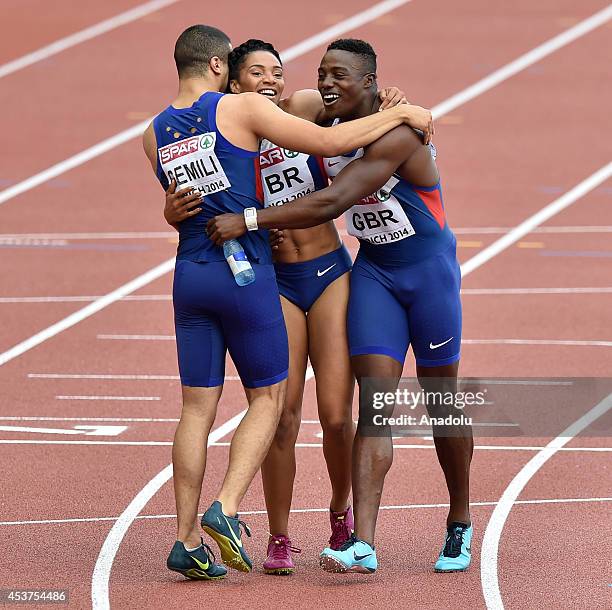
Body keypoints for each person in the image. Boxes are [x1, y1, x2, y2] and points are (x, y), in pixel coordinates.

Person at [143, 25, 435, 579]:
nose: (272, 82)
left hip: (251, 272)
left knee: (320, 411)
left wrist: (395, 100)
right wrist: (404, 117)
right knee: (276, 406)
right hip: (256, 274)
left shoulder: (163, 130)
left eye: (279, 73)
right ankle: (249, 521)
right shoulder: (244, 112)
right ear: (225, 75)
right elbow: (327, 145)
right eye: (256, 73)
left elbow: (346, 98)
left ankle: (214, 535)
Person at [206, 38, 473, 575]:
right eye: (322, 75)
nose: (326, 85)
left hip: (429, 279)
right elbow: (277, 117)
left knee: (442, 400)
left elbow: (333, 200)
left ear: (370, 83)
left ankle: (460, 519)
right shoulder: (325, 125)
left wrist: (251, 220)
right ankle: (363, 542)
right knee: (375, 403)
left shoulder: (398, 134)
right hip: (375, 274)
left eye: (339, 77)